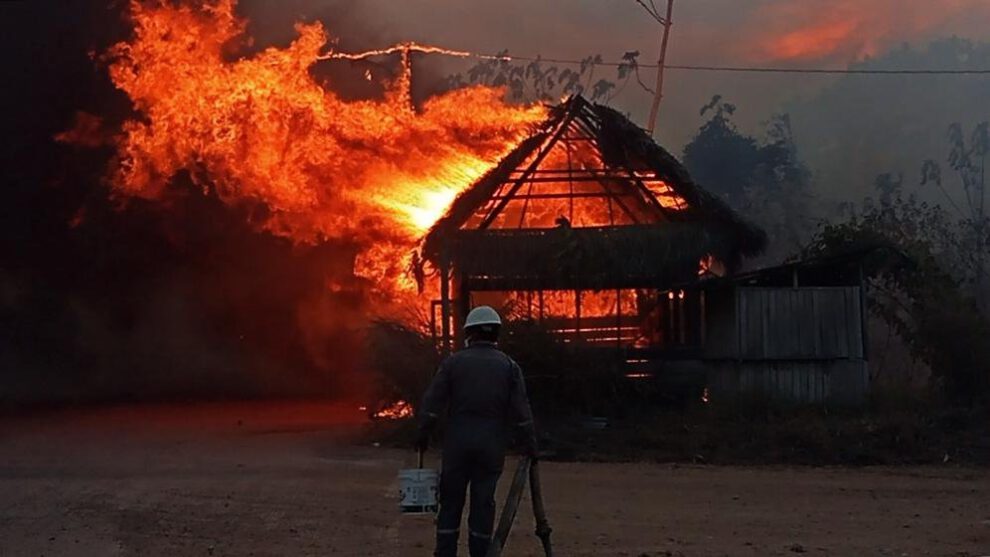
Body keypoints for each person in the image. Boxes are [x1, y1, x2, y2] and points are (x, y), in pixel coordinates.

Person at [416, 305, 538, 557]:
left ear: (469, 333)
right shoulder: (509, 366)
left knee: (451, 501)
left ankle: (445, 552)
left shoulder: (453, 363)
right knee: (483, 502)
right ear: (496, 333)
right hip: (491, 447)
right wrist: (530, 444)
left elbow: (432, 402)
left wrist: (423, 433)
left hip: (457, 446)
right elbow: (521, 411)